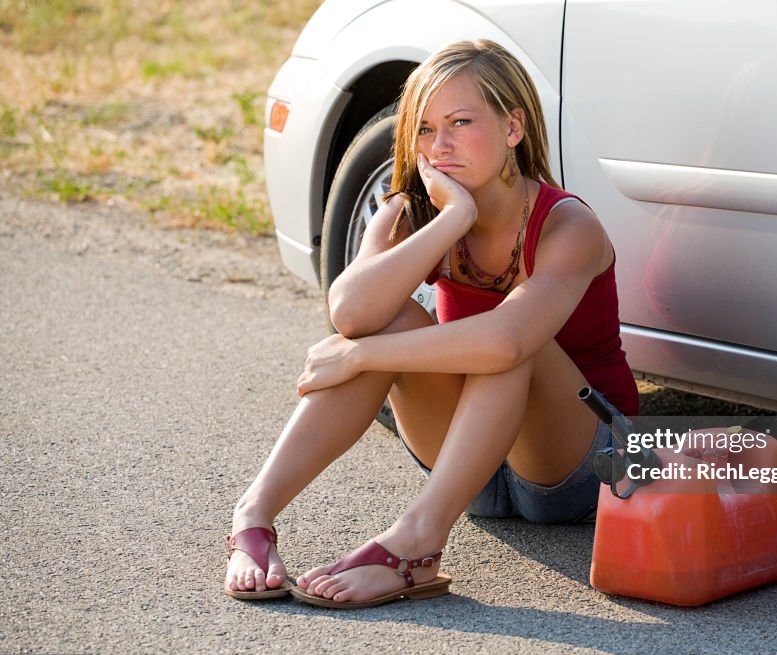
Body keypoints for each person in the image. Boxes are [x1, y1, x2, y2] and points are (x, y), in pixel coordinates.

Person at [224, 39, 639, 608]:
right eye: (423, 130)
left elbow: (506, 341)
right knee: (385, 318)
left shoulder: (567, 226)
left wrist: (363, 356)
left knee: (508, 341)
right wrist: (453, 220)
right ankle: (253, 516)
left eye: (460, 123)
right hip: (469, 468)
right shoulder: (416, 212)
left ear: (513, 127)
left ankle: (416, 546)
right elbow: (350, 313)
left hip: (578, 469)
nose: (438, 147)